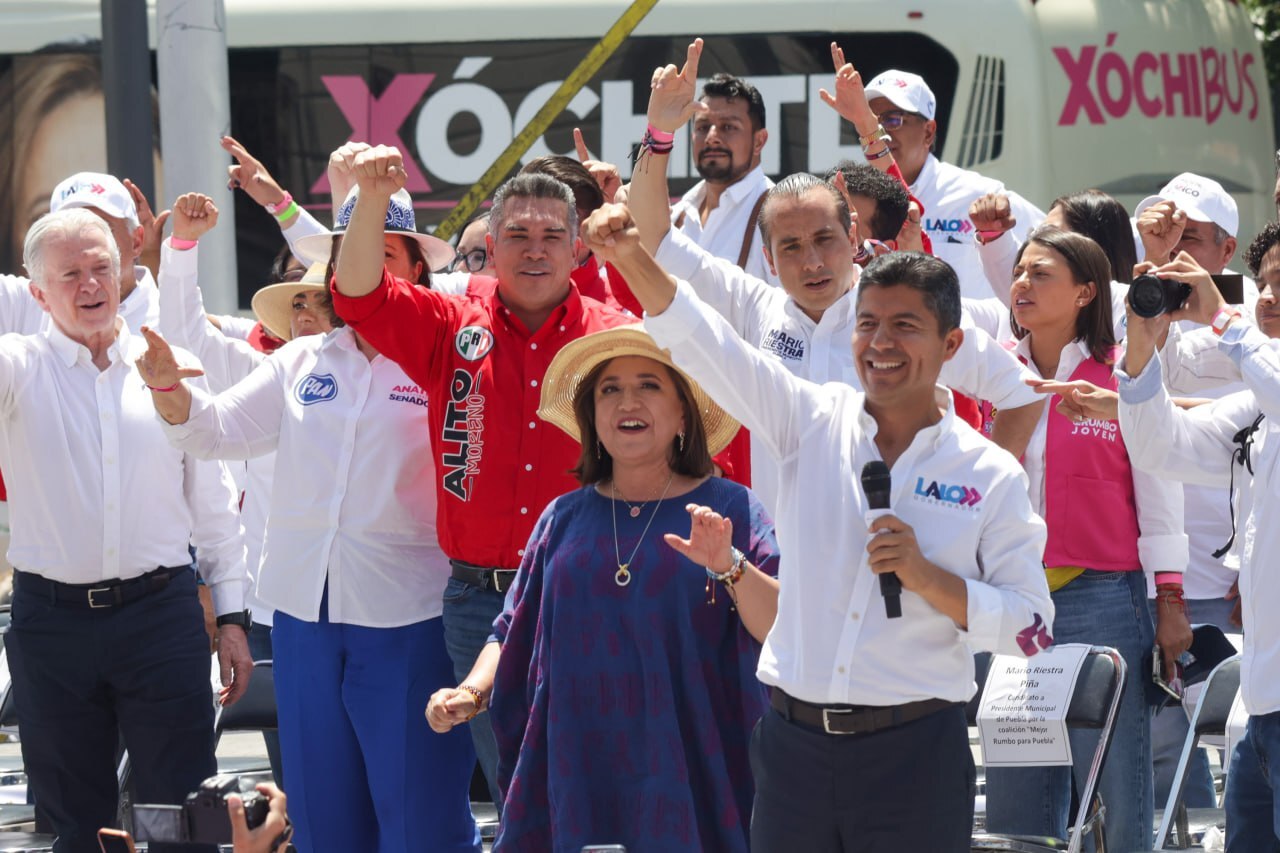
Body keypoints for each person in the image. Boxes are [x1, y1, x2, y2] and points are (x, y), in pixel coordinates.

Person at [583, 201, 1053, 851]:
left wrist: (928, 579)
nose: (880, 343)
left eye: (904, 325)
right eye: (867, 324)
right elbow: (704, 340)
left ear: (950, 344)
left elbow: (1033, 628)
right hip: (792, 753)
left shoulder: (989, 474)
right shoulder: (809, 420)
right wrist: (631, 255)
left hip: (914, 759)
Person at [143, 192, 479, 851]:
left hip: (409, 620)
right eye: (347, 256)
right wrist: (169, 391)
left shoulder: (451, 360)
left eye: (381, 254)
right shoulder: (299, 361)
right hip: (302, 622)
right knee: (324, 821)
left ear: (415, 271)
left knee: (422, 824)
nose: (361, 268)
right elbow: (213, 431)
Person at [329, 147, 632, 808]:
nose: (535, 249)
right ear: (489, 248)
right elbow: (357, 296)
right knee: (517, 795)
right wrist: (372, 201)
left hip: (596, 593)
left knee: (605, 787)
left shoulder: (617, 340)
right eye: (518, 235)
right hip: (478, 603)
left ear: (578, 249)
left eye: (553, 235)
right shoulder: (449, 324)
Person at [629, 39, 1047, 513]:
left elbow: (1022, 393)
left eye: (824, 239)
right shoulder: (751, 307)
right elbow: (653, 232)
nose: (811, 262)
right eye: (790, 246)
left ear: (852, 236)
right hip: (788, 573)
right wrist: (659, 133)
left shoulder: (909, 317)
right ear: (768, 256)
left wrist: (979, 503)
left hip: (899, 566)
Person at [427, 325, 779, 851]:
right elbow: (512, 629)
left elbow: (781, 629)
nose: (626, 401)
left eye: (649, 386)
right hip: (577, 768)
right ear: (592, 415)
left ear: (684, 412)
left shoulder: (732, 508)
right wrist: (471, 693)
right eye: (609, 389)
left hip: (695, 772)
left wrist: (729, 566)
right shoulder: (561, 518)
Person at [2, 208, 251, 853]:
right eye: (70, 274)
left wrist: (232, 619)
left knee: (179, 817)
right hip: (50, 624)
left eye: (101, 268)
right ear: (36, 294)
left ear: (124, 272)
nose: (90, 285)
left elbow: (214, 503)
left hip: (160, 618)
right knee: (76, 824)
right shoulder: (17, 367)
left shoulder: (168, 362)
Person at [980, 227, 1190, 853]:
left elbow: (1159, 483)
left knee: (1121, 785)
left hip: (1103, 596)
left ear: (1085, 292)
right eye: (1019, 272)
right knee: (1022, 790)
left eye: (1040, 273)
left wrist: (1170, 598)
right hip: (1013, 602)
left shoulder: (1120, 373)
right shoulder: (993, 372)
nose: (1021, 284)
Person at [1115, 237, 1280, 852]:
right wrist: (1141, 345)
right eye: (1261, 282)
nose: (1266, 296)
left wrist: (1223, 316)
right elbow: (1163, 447)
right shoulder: (1258, 405)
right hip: (1261, 707)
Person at [862, 68, 1043, 299]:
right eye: (869, 123)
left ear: (929, 132)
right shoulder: (854, 199)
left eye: (892, 119)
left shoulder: (979, 194)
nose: (880, 133)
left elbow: (1061, 247)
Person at [0, 50, 163, 274]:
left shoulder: (173, 305)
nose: (89, 247)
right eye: (61, 227)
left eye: (108, 226)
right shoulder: (21, 301)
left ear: (138, 239)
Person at [667, 69, 780, 287]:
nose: (712, 138)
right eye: (702, 127)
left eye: (728, 127)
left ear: (759, 141)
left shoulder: (779, 214)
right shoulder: (677, 214)